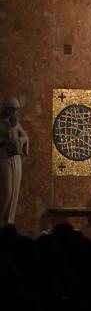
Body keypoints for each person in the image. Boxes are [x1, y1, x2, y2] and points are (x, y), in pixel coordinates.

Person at [0, 97, 29, 226]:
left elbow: (25, 136)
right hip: (4, 156)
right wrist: (6, 141)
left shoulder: (15, 123)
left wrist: (21, 141)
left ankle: (9, 222)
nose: (14, 113)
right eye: (11, 109)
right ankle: (2, 222)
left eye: (16, 110)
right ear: (6, 108)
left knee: (14, 191)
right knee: (7, 191)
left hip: (15, 158)